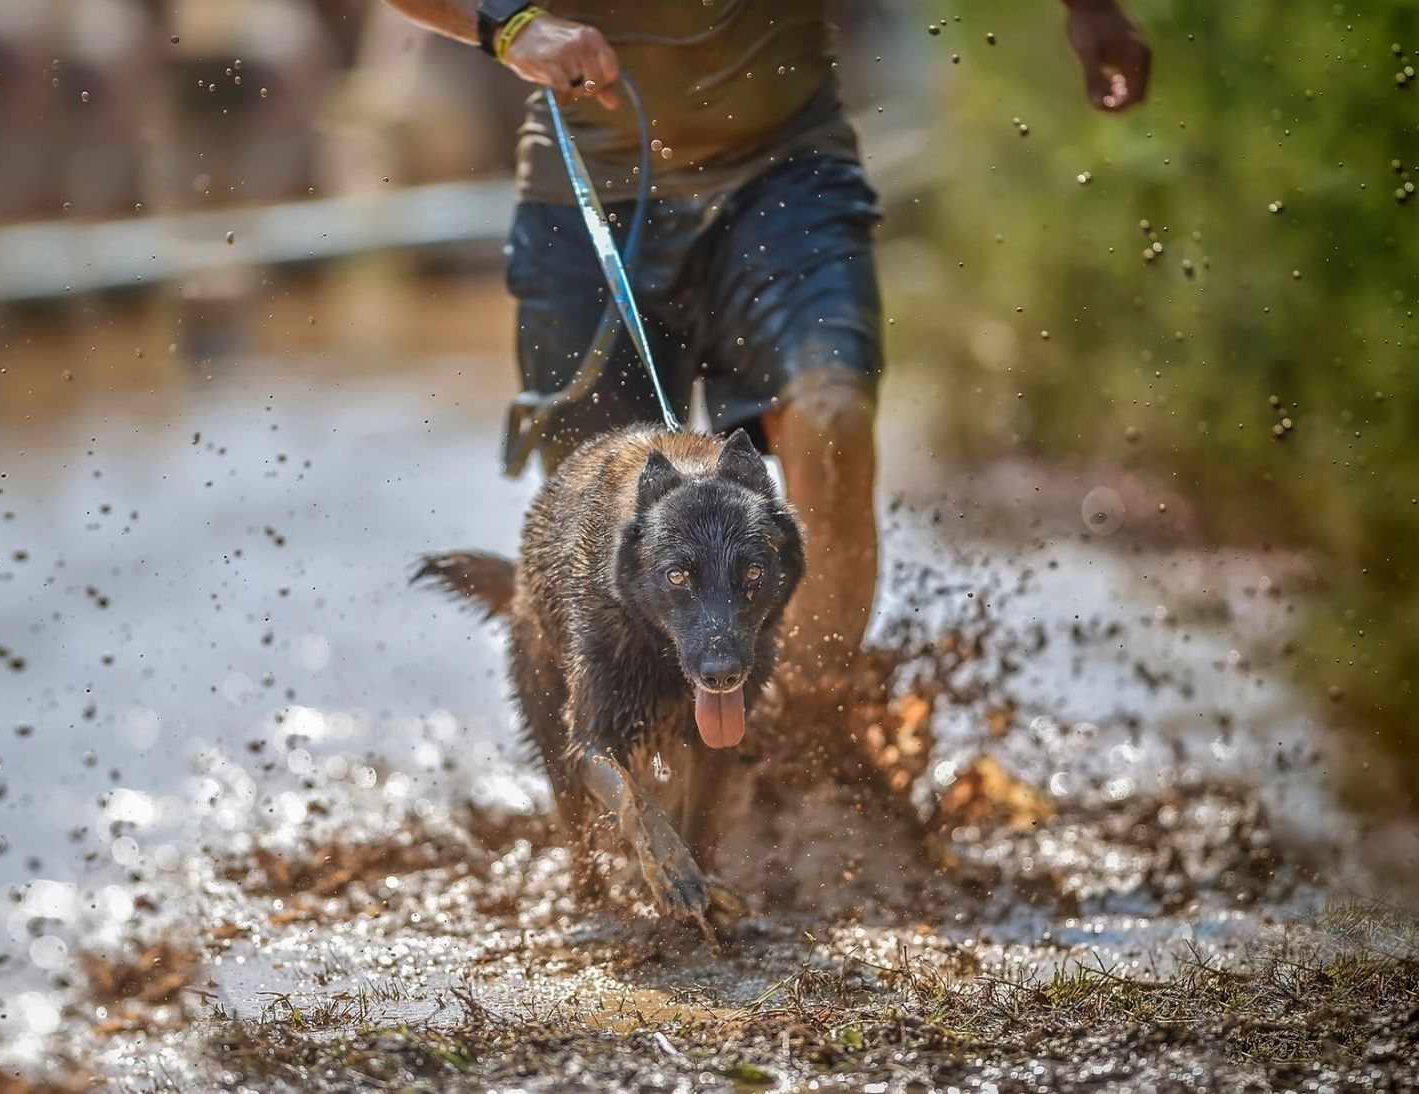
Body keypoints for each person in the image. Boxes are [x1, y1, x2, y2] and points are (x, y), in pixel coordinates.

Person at [380, 0, 1150, 683]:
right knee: (600, 526)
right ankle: (650, 776)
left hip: (789, 175)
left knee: (834, 417)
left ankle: (806, 741)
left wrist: (1091, 9)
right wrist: (512, 24)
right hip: (588, 193)